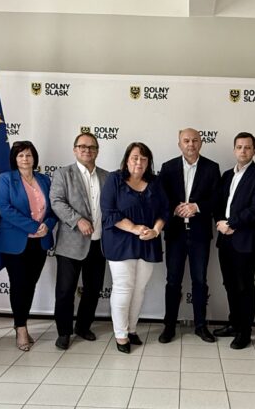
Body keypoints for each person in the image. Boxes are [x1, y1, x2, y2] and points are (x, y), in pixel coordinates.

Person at [100, 142, 168, 353]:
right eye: (135, 158)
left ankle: (131, 329)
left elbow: (164, 211)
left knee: (139, 289)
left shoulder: (155, 182)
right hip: (120, 242)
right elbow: (109, 212)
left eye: (144, 159)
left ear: (149, 162)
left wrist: (155, 231)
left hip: (148, 242)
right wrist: (134, 228)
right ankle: (120, 335)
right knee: (123, 287)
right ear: (127, 160)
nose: (139, 162)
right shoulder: (114, 179)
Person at [158, 128, 221, 344]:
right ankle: (169, 326)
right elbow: (161, 198)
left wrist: (197, 206)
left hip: (200, 235)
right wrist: (174, 209)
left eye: (195, 140)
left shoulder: (212, 168)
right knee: (172, 281)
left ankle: (201, 326)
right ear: (180, 144)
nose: (191, 144)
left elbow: (217, 199)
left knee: (200, 281)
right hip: (175, 234)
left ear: (201, 143)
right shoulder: (168, 167)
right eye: (186, 141)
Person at [0, 141, 57, 351]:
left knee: (30, 285)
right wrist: (34, 226)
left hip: (39, 242)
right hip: (15, 243)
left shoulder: (44, 179)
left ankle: (21, 322)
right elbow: (5, 208)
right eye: (20, 155)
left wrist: (47, 225)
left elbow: (53, 209)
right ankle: (21, 328)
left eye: (28, 155)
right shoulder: (6, 179)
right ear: (15, 159)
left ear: (34, 158)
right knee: (19, 284)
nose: (25, 159)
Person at [50, 132, 109, 350]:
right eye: (82, 146)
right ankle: (64, 332)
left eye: (92, 147)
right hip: (71, 244)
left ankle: (83, 327)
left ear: (97, 151)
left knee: (93, 289)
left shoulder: (107, 176)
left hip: (99, 243)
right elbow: (56, 201)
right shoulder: (63, 174)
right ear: (75, 150)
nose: (87, 150)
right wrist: (78, 220)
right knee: (65, 291)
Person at [213, 132, 255, 350]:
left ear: (254, 150)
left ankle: (245, 331)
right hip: (225, 239)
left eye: (247, 147)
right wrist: (220, 222)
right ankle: (234, 324)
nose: (243, 151)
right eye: (239, 147)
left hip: (246, 240)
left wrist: (231, 223)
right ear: (234, 150)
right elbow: (218, 204)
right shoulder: (227, 175)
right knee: (229, 284)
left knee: (244, 286)